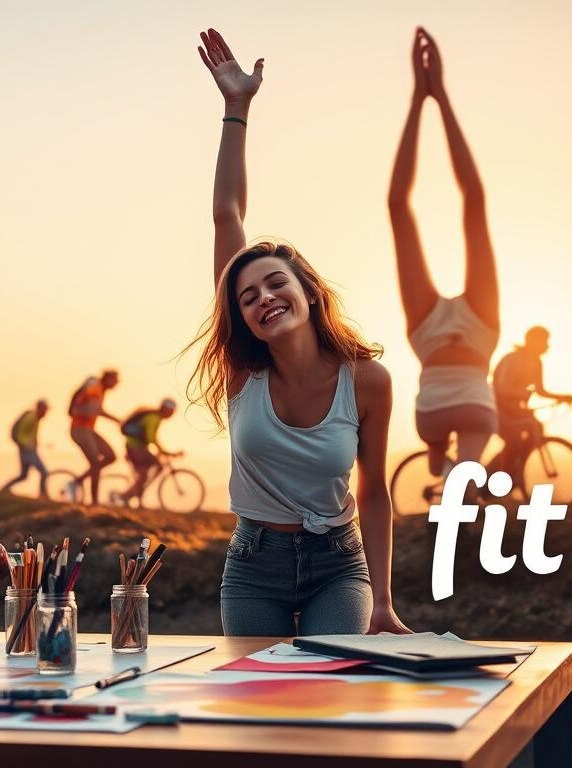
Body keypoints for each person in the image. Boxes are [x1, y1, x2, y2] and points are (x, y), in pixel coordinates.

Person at [191, 28, 411, 637]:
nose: (264, 298)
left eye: (276, 284)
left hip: (338, 565)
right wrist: (236, 110)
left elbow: (374, 493)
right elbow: (226, 215)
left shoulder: (367, 380)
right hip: (253, 566)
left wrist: (384, 602)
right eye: (248, 296)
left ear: (308, 291)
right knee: (254, 709)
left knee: (331, 693)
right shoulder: (243, 372)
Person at [388, 28, 500, 479]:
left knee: (439, 463)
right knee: (468, 471)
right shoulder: (486, 320)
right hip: (476, 404)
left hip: (431, 410)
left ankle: (437, 460)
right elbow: (474, 197)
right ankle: (462, 490)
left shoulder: (422, 321)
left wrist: (419, 101)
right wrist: (442, 98)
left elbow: (397, 204)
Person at [490, 327, 572, 484]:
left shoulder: (537, 362)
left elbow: (540, 391)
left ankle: (515, 471)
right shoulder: (513, 359)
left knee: (536, 430)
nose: (547, 345)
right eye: (544, 341)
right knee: (513, 440)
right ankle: (499, 478)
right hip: (496, 406)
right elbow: (501, 387)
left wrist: (562, 397)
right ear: (532, 341)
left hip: (514, 409)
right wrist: (522, 394)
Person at [116, 398, 184, 506]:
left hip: (138, 447)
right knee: (145, 475)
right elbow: (150, 438)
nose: (171, 415)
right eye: (171, 412)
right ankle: (126, 495)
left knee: (146, 474)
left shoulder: (154, 417)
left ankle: (135, 495)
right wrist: (165, 452)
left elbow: (150, 438)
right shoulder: (153, 418)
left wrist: (162, 451)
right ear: (166, 410)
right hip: (135, 448)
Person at [68, 369, 120, 505]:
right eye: (115, 380)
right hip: (80, 429)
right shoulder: (95, 387)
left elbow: (96, 409)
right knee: (95, 463)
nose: (117, 383)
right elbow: (92, 407)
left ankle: (78, 481)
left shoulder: (100, 390)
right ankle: (94, 502)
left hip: (89, 429)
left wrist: (117, 420)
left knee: (111, 456)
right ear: (108, 379)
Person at [1, 399, 49, 498]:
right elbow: (21, 432)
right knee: (44, 472)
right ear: (39, 408)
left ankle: (4, 489)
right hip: (27, 450)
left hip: (28, 449)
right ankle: (43, 495)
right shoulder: (31, 417)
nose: (46, 413)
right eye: (45, 410)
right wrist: (23, 444)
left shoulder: (35, 419)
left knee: (23, 475)